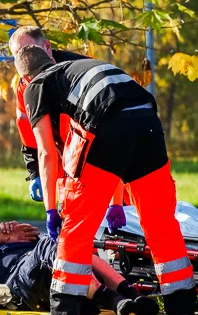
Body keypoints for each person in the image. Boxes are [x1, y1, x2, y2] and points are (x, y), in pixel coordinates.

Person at [14, 45, 197, 315]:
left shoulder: (34, 86)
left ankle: (63, 312)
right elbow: (120, 125)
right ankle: (183, 309)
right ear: (50, 58)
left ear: (24, 77)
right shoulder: (87, 68)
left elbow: (47, 153)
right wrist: (114, 202)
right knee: (160, 221)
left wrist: (51, 209)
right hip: (147, 122)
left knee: (77, 224)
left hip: (107, 124)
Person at [9, 27, 128, 236]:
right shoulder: (25, 84)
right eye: (19, 54)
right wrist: (35, 172)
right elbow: (29, 132)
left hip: (103, 158)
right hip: (70, 164)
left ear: (47, 47)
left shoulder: (81, 72)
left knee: (123, 233)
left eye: (29, 49)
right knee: (76, 231)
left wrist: (116, 201)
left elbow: (111, 136)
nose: (26, 57)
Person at [0, 222, 159, 315]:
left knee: (72, 247)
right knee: (56, 246)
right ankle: (111, 298)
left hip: (39, 273)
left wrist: (7, 238)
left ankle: (130, 295)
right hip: (18, 284)